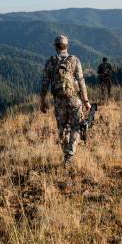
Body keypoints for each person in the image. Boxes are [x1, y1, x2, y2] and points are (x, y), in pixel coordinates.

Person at [40, 35, 91, 165]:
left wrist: (42, 101)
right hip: (74, 99)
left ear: (56, 47)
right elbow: (81, 81)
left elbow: (45, 83)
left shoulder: (51, 62)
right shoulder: (75, 60)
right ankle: (70, 153)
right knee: (76, 127)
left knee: (63, 128)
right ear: (67, 46)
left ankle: (67, 155)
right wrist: (86, 101)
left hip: (59, 101)